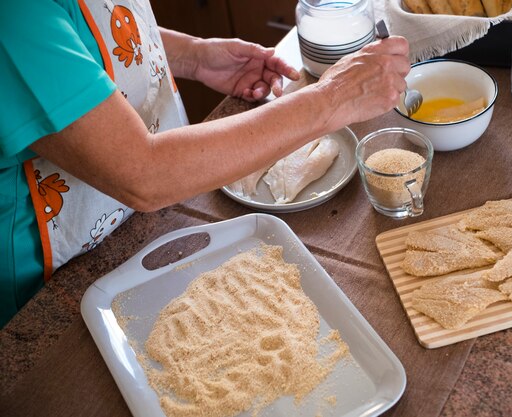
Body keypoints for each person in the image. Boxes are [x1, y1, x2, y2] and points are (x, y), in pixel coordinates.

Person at [0, 0, 410, 327]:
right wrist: (332, 98)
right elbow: (143, 174)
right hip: (44, 287)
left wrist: (191, 55)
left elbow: (83, 29)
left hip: (136, 228)